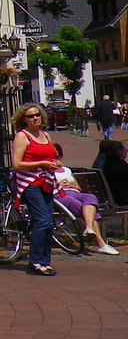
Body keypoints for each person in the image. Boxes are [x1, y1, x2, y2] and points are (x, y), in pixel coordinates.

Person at [11, 104, 63, 276]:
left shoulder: (45, 135)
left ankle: (45, 261)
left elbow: (50, 157)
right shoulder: (22, 136)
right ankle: (35, 262)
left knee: (48, 222)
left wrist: (55, 163)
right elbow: (17, 165)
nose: (35, 118)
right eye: (31, 116)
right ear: (24, 119)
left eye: (37, 115)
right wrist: (40, 164)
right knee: (41, 221)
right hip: (30, 184)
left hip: (46, 182)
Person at [51, 154, 118, 255]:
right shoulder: (46, 171)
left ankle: (89, 228)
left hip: (75, 192)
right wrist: (58, 185)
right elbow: (44, 189)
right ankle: (101, 243)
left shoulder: (67, 170)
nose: (56, 160)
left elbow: (78, 187)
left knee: (91, 197)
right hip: (60, 195)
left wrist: (72, 185)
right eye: (53, 158)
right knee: (80, 206)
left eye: (57, 157)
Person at [99, 139, 128, 205]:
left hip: (112, 196)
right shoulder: (121, 166)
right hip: (122, 198)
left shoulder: (106, 164)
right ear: (122, 153)